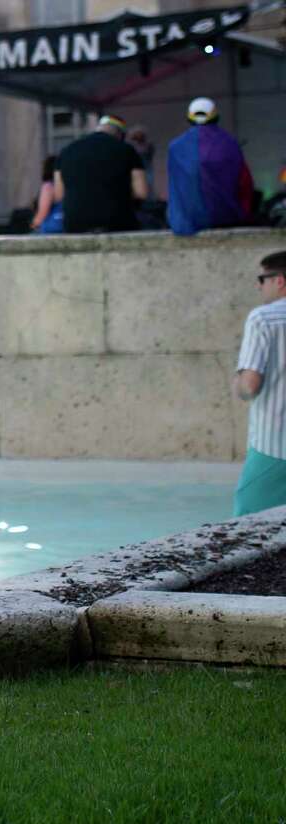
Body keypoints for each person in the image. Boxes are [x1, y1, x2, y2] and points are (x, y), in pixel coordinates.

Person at [232, 251, 286, 516]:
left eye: (262, 279)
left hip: (275, 445)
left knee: (245, 532)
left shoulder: (263, 318)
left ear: (280, 281)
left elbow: (250, 385)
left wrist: (237, 383)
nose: (258, 285)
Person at [167, 98, 253, 238]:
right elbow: (245, 183)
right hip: (228, 219)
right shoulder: (230, 143)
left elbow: (175, 187)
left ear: (189, 119)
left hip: (186, 224)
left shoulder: (175, 147)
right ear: (216, 117)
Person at [54, 115, 147, 234]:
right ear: (119, 134)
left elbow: (59, 195)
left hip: (75, 224)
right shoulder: (127, 150)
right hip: (118, 222)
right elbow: (141, 192)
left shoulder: (66, 151)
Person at [30, 156, 63, 234]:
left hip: (50, 229)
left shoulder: (48, 186)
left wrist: (33, 224)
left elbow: (43, 213)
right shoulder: (64, 185)